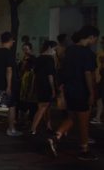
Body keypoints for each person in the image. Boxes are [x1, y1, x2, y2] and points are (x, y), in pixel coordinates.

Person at [47, 25, 100, 160]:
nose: (95, 42)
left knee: (71, 117)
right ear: (91, 37)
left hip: (69, 90)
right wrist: (91, 93)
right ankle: (84, 149)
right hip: (81, 90)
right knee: (83, 121)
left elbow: (62, 70)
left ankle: (56, 136)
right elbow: (88, 74)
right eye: (95, 39)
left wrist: (61, 87)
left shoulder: (69, 51)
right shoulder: (88, 54)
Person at [29, 41, 57, 135]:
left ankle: (48, 126)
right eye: (54, 49)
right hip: (46, 85)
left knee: (45, 107)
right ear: (49, 48)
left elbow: (34, 73)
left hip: (39, 84)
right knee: (43, 107)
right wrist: (53, 89)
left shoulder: (39, 58)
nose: (54, 51)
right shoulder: (49, 59)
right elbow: (50, 75)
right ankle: (33, 128)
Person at [91, 36, 104, 125]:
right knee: (99, 98)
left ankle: (98, 117)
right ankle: (98, 117)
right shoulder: (99, 53)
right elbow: (97, 67)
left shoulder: (100, 54)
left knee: (100, 98)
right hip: (100, 79)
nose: (101, 44)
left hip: (101, 78)